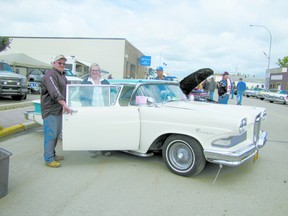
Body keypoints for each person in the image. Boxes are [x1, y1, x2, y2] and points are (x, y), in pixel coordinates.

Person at [41, 54, 73, 168]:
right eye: (60, 63)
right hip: (50, 110)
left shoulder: (62, 75)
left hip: (59, 110)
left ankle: (52, 154)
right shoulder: (49, 75)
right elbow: (54, 91)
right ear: (54, 63)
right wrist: (64, 104)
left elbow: (68, 89)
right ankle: (48, 159)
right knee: (51, 134)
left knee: (55, 134)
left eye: (64, 63)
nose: (62, 65)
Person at [80, 63, 112, 157]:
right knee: (92, 130)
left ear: (99, 72)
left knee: (104, 130)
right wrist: (86, 108)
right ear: (90, 71)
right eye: (93, 70)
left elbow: (110, 95)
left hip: (103, 110)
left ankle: (104, 149)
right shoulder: (85, 82)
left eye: (96, 70)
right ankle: (93, 149)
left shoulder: (105, 82)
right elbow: (81, 97)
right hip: (91, 110)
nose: (95, 72)